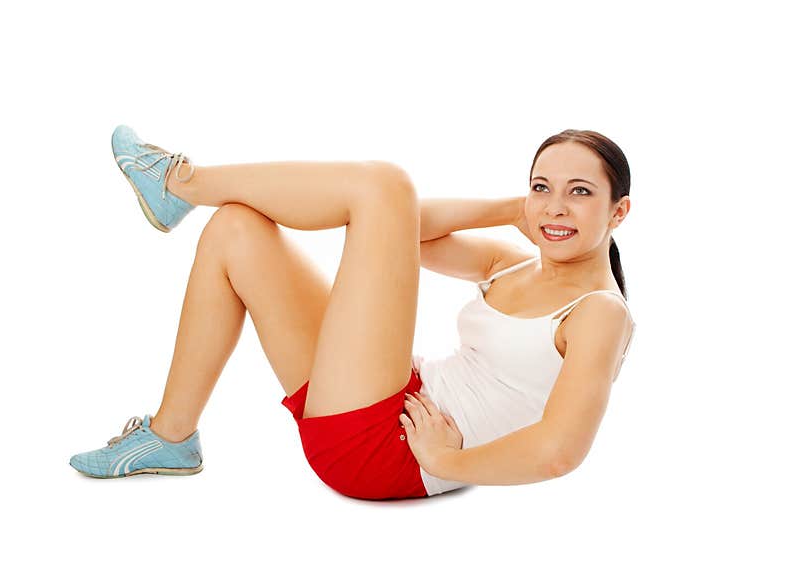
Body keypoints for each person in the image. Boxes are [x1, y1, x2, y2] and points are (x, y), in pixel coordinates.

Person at [69, 126, 636, 500]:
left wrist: (446, 461)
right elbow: (399, 233)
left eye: (580, 192)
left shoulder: (599, 315)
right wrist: (516, 209)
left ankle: (179, 183)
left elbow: (560, 451)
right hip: (391, 394)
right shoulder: (510, 264)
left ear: (619, 212)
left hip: (390, 448)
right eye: (542, 187)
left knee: (384, 184)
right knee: (235, 229)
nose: (556, 207)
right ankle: (170, 437)